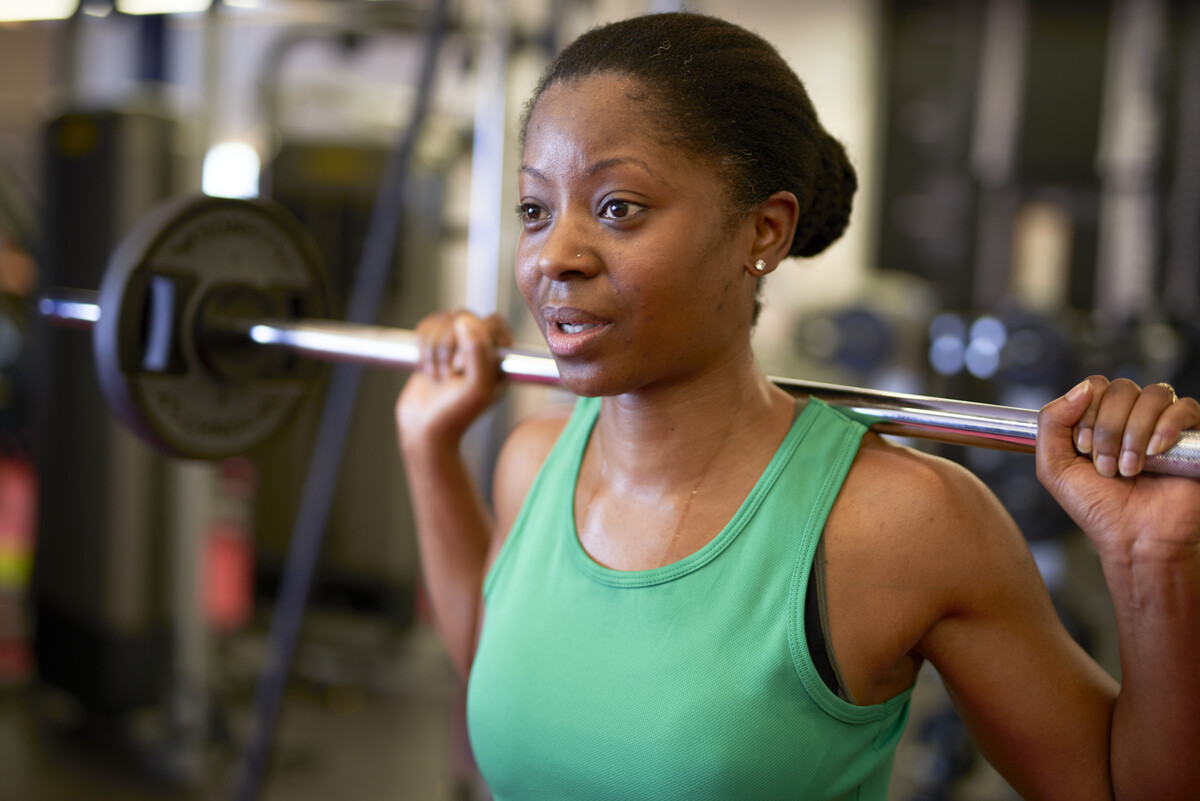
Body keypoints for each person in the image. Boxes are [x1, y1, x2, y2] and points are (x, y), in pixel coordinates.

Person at [395, 11, 1200, 801]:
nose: (554, 258)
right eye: (535, 210)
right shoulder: (529, 462)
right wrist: (428, 450)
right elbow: (501, 668)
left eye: (617, 207)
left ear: (765, 231)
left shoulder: (902, 522)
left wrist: (1153, 562)